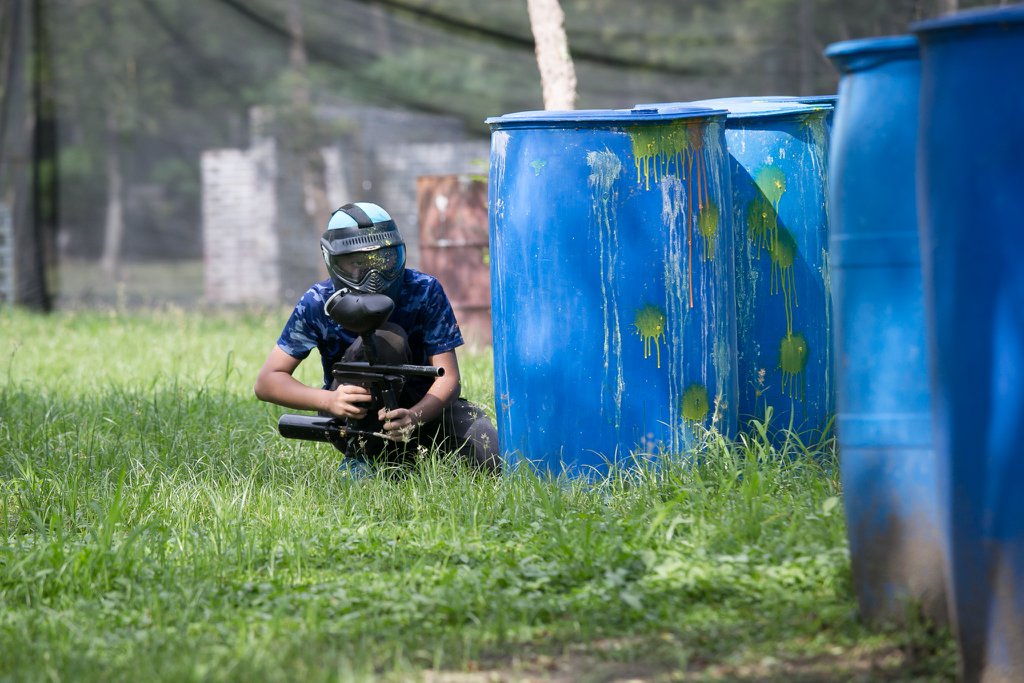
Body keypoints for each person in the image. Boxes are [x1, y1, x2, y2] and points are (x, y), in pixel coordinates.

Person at [254, 201, 501, 474]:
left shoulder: (424, 291)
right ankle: (364, 454)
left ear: (399, 253)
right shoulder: (318, 302)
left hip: (425, 411)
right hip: (353, 418)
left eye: (383, 260)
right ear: (332, 261)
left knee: (487, 449)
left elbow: (448, 378)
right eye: (356, 264)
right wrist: (329, 401)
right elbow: (268, 381)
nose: (373, 276)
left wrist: (415, 417)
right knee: (387, 339)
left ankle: (405, 456)